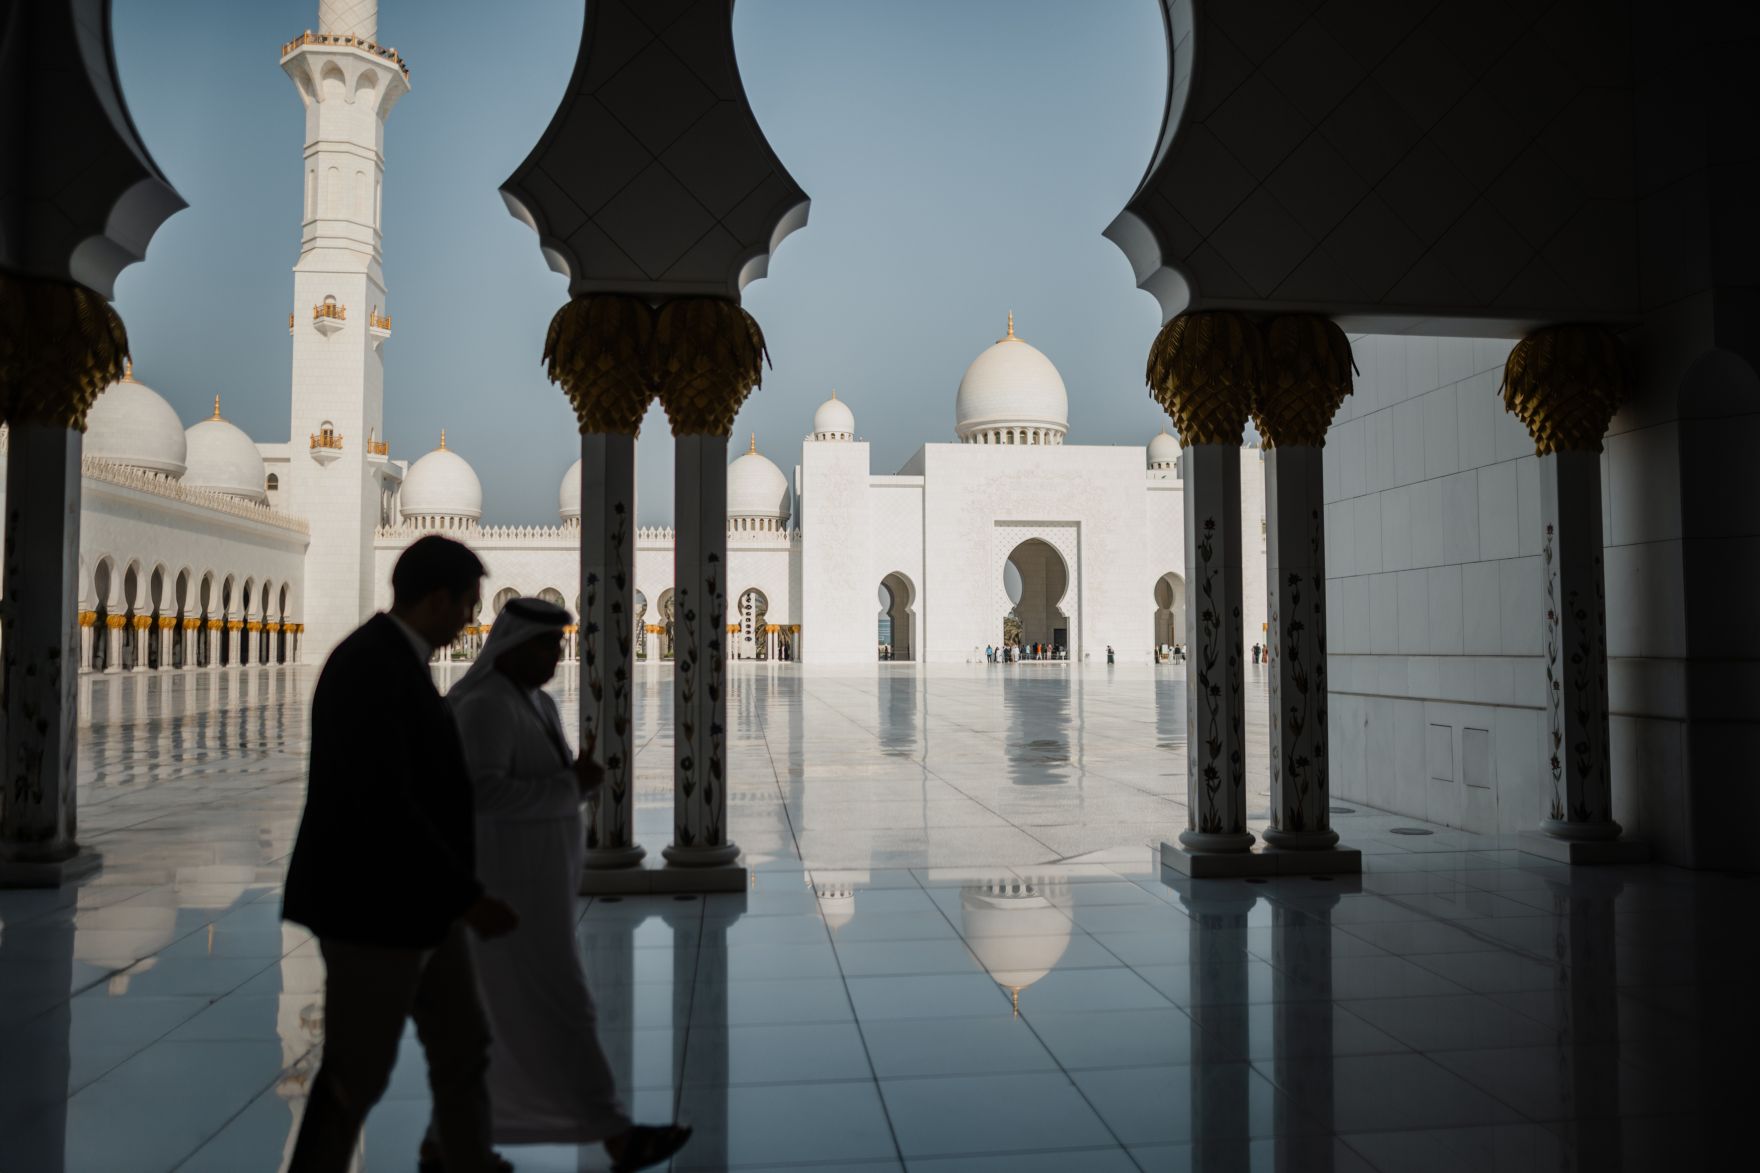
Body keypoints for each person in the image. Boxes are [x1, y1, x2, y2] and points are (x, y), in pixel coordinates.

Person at [282, 535, 517, 1173]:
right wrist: (467, 897)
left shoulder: (395, 659)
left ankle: (463, 1159)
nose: (473, 619)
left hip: (422, 906)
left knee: (463, 1045)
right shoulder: (369, 665)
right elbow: (384, 803)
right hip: (372, 909)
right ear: (437, 599)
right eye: (469, 604)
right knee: (355, 1070)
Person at [434, 597, 692, 1172]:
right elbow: (481, 794)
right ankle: (616, 1135)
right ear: (514, 645)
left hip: (537, 889)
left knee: (495, 1019)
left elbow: (549, 781)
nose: (557, 656)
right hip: (504, 889)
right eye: (548, 645)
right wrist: (570, 784)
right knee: (558, 1007)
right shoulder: (484, 708)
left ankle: (445, 1142)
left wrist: (575, 782)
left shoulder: (536, 702)